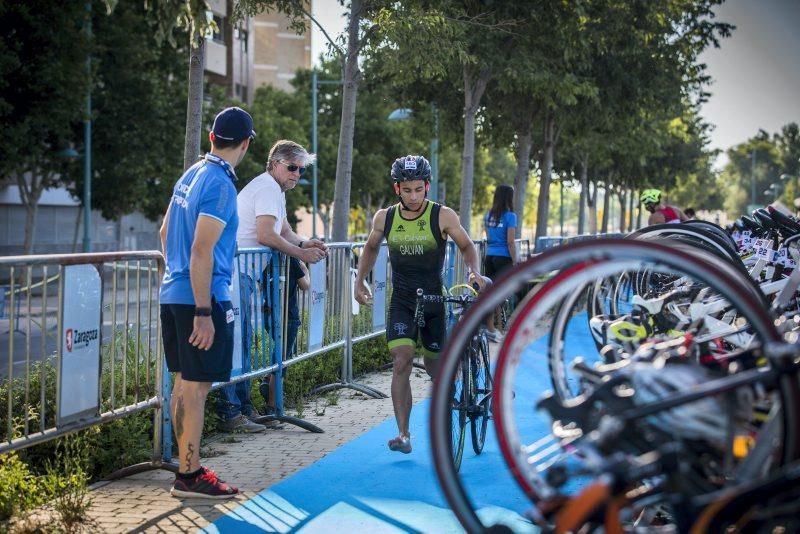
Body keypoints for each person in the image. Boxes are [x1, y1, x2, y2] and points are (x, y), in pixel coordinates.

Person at [354, 155, 489, 455]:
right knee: (401, 360)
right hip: (402, 299)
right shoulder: (385, 218)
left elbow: (467, 246)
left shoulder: (443, 216)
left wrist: (473, 271)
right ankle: (403, 434)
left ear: (427, 186)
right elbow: (371, 247)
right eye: (407, 189)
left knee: (434, 366)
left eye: (418, 189)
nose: (413, 196)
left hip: (434, 301)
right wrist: (359, 279)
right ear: (397, 189)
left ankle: (457, 386)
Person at [159, 106, 255, 499]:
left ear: (213, 137)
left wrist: (177, 278)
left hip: (173, 293)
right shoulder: (219, 184)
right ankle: (189, 475)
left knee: (184, 384)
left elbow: (165, 231)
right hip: (202, 298)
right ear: (246, 144)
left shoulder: (191, 173)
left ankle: (187, 469)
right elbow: (202, 249)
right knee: (196, 389)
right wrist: (202, 310)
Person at [236, 139, 327, 416]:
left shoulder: (275, 190)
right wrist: (301, 256)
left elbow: (285, 231)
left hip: (246, 273)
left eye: (301, 170)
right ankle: (236, 411)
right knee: (240, 344)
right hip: (237, 272)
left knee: (245, 342)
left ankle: (244, 409)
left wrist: (305, 244)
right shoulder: (266, 187)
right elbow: (266, 235)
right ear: (275, 164)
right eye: (291, 168)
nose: (297, 175)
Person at [483, 185, 518, 342]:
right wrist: (515, 261)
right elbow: (510, 242)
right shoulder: (511, 216)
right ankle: (500, 329)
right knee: (502, 294)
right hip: (503, 258)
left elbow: (489, 236)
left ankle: (493, 329)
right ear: (509, 198)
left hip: (489, 256)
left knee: (490, 294)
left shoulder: (488, 216)